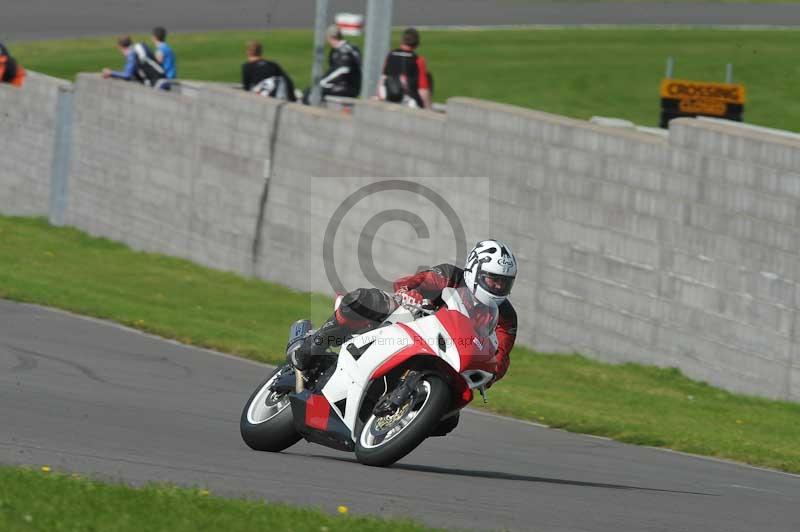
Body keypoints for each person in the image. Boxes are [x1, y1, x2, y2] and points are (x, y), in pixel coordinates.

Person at [290, 239, 518, 386]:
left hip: (448, 355)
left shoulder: (506, 316)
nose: (498, 286)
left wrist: (491, 374)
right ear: (475, 271)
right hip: (413, 323)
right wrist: (412, 293)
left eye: (504, 282)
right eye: (493, 279)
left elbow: (501, 356)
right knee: (368, 301)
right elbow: (411, 283)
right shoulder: (450, 275)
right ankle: (313, 344)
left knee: (448, 421)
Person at [304, 25, 361, 103]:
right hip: (350, 85)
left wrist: (323, 82)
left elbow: (342, 71)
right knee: (314, 89)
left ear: (329, 37)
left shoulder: (343, 52)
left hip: (346, 87)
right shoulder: (351, 47)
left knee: (310, 92)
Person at [377, 27, 432, 109]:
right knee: (428, 76)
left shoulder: (391, 56)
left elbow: (382, 79)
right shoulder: (418, 60)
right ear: (417, 44)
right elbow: (422, 89)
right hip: (408, 102)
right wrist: (428, 108)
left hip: (389, 97)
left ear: (402, 41)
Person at [101, 36, 166, 87]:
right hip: (162, 79)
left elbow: (127, 75)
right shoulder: (140, 47)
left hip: (157, 83)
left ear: (119, 47)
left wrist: (110, 73)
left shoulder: (132, 54)